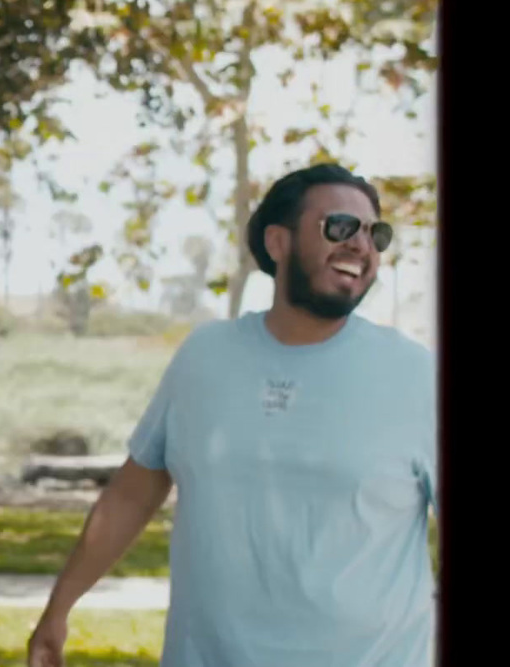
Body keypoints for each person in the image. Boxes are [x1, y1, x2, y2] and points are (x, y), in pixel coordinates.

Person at [26, 164, 438, 667]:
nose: (362, 245)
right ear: (277, 242)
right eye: (340, 227)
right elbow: (133, 494)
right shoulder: (205, 357)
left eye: (377, 234)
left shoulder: (416, 376)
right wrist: (59, 608)